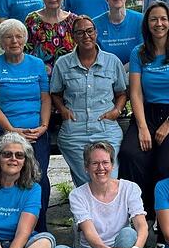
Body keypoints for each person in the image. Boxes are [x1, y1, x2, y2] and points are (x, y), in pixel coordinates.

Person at [119, 1, 169, 248]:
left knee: (167, 163)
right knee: (131, 154)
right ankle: (140, 216)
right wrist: (142, 126)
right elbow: (136, 92)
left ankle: (165, 232)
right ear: (147, 24)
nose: (159, 24)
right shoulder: (139, 53)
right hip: (147, 113)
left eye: (163, 19)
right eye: (153, 19)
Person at [0, 19, 52, 232]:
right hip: (5, 131)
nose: (14, 41)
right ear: (1, 41)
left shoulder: (37, 64)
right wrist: (12, 131)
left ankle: (39, 228)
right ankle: (8, 226)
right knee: (8, 175)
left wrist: (43, 126)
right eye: (8, 37)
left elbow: (46, 98)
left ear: (25, 39)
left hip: (35, 131)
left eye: (18, 36)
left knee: (38, 177)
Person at [50, 16, 127, 187]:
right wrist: (62, 109)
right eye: (80, 32)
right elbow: (55, 93)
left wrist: (116, 111)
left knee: (108, 179)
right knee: (87, 182)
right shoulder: (63, 64)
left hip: (105, 129)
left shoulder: (112, 61)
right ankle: (86, 213)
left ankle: (110, 213)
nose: (86, 36)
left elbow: (122, 93)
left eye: (89, 31)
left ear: (96, 32)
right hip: (74, 131)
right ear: (73, 37)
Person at [25, 0, 77, 76]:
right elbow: (25, 53)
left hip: (69, 80)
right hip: (39, 79)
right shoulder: (32, 20)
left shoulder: (73, 20)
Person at [93, 0, 144, 67]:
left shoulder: (141, 20)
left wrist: (122, 72)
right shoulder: (95, 24)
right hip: (105, 76)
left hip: (134, 74)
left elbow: (143, 54)